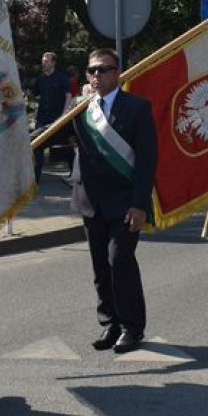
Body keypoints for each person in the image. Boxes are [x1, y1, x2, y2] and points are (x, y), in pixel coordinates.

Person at [71, 49, 157, 353]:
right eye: (92, 70)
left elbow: (147, 161)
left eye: (104, 69)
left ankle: (133, 327)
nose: (97, 75)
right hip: (91, 200)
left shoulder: (137, 107)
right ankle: (110, 324)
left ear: (117, 73)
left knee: (119, 261)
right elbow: (55, 135)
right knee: (100, 267)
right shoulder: (79, 108)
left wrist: (139, 204)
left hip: (124, 203)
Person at [30, 52, 73, 183]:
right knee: (37, 147)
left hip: (57, 119)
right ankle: (35, 180)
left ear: (53, 63)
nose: (43, 63)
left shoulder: (61, 78)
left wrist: (64, 115)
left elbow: (68, 96)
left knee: (67, 146)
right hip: (42, 118)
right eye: (43, 61)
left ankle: (74, 176)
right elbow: (33, 95)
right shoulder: (40, 80)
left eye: (46, 61)